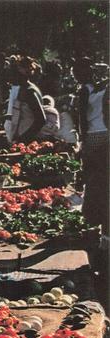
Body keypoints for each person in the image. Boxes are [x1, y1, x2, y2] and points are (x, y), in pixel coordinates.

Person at [73, 57, 109, 234]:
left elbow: (82, 118)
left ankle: (92, 213)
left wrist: (82, 140)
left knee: (92, 174)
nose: (74, 74)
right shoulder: (99, 88)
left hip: (93, 135)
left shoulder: (84, 91)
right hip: (105, 132)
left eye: (76, 71)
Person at [8, 56, 46, 143]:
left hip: (30, 139)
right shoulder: (24, 90)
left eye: (13, 73)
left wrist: (24, 138)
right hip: (25, 137)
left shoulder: (29, 92)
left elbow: (41, 119)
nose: (10, 77)